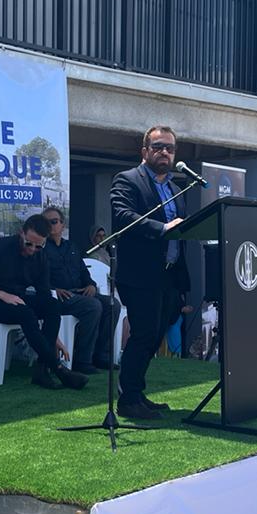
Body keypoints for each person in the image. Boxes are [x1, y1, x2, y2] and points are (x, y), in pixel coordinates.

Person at [111, 125, 190, 420]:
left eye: (169, 148)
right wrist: (162, 228)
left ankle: (136, 393)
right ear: (145, 151)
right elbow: (123, 217)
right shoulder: (128, 180)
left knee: (154, 335)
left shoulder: (177, 188)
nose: (164, 152)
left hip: (169, 275)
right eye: (158, 147)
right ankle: (127, 400)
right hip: (140, 274)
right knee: (143, 334)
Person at [0, 214, 87, 391]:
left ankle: (41, 370)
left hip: (18, 299)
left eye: (39, 246)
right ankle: (59, 369)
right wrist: (0, 294)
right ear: (21, 233)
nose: (32, 249)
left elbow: (44, 294)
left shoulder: (40, 256)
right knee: (26, 313)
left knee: (52, 306)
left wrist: (54, 339)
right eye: (29, 244)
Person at [42, 206, 103, 374]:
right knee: (93, 306)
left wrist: (91, 285)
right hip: (58, 296)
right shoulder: (40, 249)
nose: (50, 226)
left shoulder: (72, 247)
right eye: (46, 223)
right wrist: (54, 289)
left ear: (62, 225)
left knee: (112, 304)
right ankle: (82, 360)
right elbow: (36, 279)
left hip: (79, 291)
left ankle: (101, 356)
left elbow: (84, 273)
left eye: (54, 222)